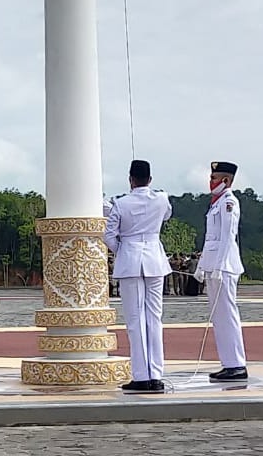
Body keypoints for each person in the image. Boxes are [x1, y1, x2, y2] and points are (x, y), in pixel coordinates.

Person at [104, 159, 173, 394]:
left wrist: (122, 251)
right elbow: (166, 216)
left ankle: (141, 376)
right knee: (155, 319)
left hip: (130, 259)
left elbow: (109, 236)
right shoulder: (162, 199)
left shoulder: (120, 204)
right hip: (154, 257)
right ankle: (156, 374)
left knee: (135, 320)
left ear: (130, 180)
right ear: (150, 180)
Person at [196, 160, 248, 382]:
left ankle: (236, 364)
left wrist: (218, 265)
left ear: (226, 181)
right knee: (219, 317)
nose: (211, 182)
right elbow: (210, 240)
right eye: (211, 178)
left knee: (227, 315)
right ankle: (229, 363)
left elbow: (228, 236)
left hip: (224, 266)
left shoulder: (229, 203)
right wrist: (202, 266)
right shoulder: (216, 203)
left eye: (215, 178)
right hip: (214, 265)